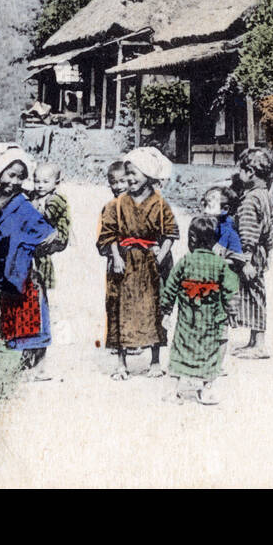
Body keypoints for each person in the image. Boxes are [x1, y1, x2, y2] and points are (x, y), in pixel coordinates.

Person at [96, 147, 177, 380]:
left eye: (135, 174)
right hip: (124, 262)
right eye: (128, 173)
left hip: (151, 263)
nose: (130, 178)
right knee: (120, 308)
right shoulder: (117, 204)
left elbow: (170, 232)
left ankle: (154, 361)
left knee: (154, 308)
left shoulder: (160, 204)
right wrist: (116, 256)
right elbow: (109, 233)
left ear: (149, 175)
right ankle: (121, 363)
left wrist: (162, 254)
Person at [0, 144, 57, 379]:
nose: (14, 181)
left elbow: (47, 232)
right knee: (17, 313)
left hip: (25, 269)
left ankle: (40, 365)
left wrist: (29, 252)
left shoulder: (23, 204)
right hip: (8, 268)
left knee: (34, 313)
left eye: (20, 177)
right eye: (10, 175)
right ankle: (26, 362)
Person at [160, 216, 240, 405]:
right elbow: (231, 290)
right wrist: (232, 313)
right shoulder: (220, 265)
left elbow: (170, 286)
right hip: (212, 319)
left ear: (192, 239)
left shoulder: (185, 261)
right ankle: (206, 390)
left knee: (180, 349)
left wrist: (166, 311)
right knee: (211, 351)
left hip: (187, 318)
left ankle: (173, 390)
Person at [232, 147, 273, 360]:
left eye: (241, 170)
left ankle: (259, 344)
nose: (239, 174)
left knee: (254, 294)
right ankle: (253, 340)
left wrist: (246, 258)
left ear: (250, 172)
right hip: (260, 251)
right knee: (253, 293)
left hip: (250, 253)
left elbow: (248, 231)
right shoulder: (264, 195)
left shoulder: (250, 200)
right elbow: (269, 229)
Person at [30, 163, 70, 290]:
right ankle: (35, 277)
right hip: (46, 230)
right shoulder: (37, 195)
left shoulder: (56, 199)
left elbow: (48, 217)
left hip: (58, 235)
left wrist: (34, 208)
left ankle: (46, 282)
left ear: (56, 183)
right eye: (37, 181)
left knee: (41, 249)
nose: (40, 185)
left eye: (45, 182)